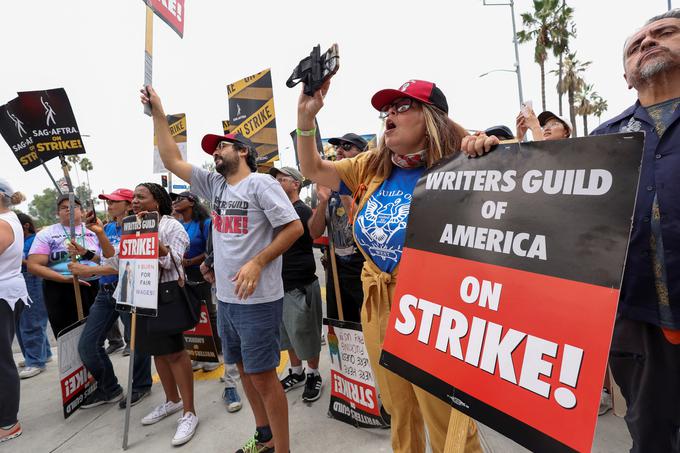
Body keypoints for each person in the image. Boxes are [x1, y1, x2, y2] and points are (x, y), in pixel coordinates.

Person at [295, 78, 481, 452]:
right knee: (399, 408)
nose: (389, 116)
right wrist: (305, 118)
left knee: (445, 413)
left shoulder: (464, 163)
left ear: (431, 118)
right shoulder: (369, 166)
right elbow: (313, 168)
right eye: (386, 110)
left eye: (401, 107)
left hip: (436, 307)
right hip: (378, 300)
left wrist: (483, 148)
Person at [142, 85, 303, 453]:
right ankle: (264, 437)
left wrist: (258, 261)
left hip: (258, 300)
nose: (216, 151)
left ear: (244, 151)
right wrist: (159, 113)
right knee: (244, 370)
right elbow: (171, 159)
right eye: (214, 148)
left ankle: (284, 449)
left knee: (263, 376)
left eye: (223, 145)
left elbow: (293, 227)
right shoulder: (214, 184)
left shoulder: (261, 183)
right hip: (227, 298)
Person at [590, 9, 680, 452]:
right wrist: (489, 156)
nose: (647, 42)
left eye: (664, 33)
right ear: (627, 77)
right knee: (649, 436)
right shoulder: (605, 139)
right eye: (635, 44)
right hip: (636, 320)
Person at [107, 183, 198, 446]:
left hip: (166, 295)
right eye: (133, 197)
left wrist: (150, 236)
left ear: (157, 202)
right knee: (157, 351)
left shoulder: (172, 227)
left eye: (140, 197)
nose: (134, 201)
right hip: (141, 294)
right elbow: (123, 261)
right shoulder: (130, 226)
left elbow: (174, 261)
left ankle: (189, 412)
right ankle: (171, 400)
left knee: (174, 352)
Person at [68, 188, 153, 410]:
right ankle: (110, 388)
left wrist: (87, 270)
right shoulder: (106, 227)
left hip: (128, 287)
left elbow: (124, 264)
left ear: (128, 205)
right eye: (107, 201)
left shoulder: (137, 225)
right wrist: (85, 253)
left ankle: (141, 385)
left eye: (114, 201)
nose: (109, 205)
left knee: (136, 341)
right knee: (88, 345)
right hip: (105, 292)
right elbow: (107, 257)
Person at [271, 166, 324, 402]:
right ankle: (297, 372)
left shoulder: (301, 211)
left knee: (306, 334)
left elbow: (315, 233)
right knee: (288, 336)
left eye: (282, 179)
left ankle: (313, 373)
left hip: (300, 285)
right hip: (278, 286)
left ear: (296, 184)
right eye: (276, 180)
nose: (277, 183)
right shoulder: (275, 211)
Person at [308, 133, 367, 323]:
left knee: (368, 323)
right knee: (342, 326)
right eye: (337, 148)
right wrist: (323, 201)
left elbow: (364, 225)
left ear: (362, 153)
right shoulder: (327, 189)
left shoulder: (370, 183)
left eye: (346, 147)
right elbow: (314, 232)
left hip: (363, 266)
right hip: (336, 266)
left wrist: (343, 190)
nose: (339, 151)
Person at [26, 194, 102, 336]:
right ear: (57, 213)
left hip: (93, 284)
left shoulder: (95, 231)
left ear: (82, 211)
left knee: (93, 335)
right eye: (64, 207)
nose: (69, 210)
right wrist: (65, 279)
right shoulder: (46, 234)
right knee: (66, 334)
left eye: (73, 207)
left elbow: (107, 259)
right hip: (59, 287)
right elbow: (34, 265)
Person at [170, 191, 220, 373]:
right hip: (184, 275)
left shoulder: (205, 223)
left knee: (208, 313)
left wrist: (193, 261)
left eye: (179, 199)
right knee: (191, 313)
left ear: (192, 202)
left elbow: (213, 250)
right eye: (174, 200)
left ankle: (216, 352)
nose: (175, 202)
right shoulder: (179, 225)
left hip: (203, 274)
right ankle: (199, 354)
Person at [200, 227, 242, 413]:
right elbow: (216, 245)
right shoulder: (216, 214)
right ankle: (230, 385)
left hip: (252, 285)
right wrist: (209, 263)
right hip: (222, 286)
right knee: (228, 339)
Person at [0, 179, 28, 443]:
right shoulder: (9, 218)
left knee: (1, 360)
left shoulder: (4, 222)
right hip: (7, 292)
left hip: (3, 295)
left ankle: (8, 422)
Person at [14, 212, 52, 379]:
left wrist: (13, 257)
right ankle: (43, 353)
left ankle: (36, 361)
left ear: (25, 226)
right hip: (20, 282)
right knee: (23, 320)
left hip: (32, 281)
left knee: (31, 321)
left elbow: (34, 263)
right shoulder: (20, 241)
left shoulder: (34, 241)